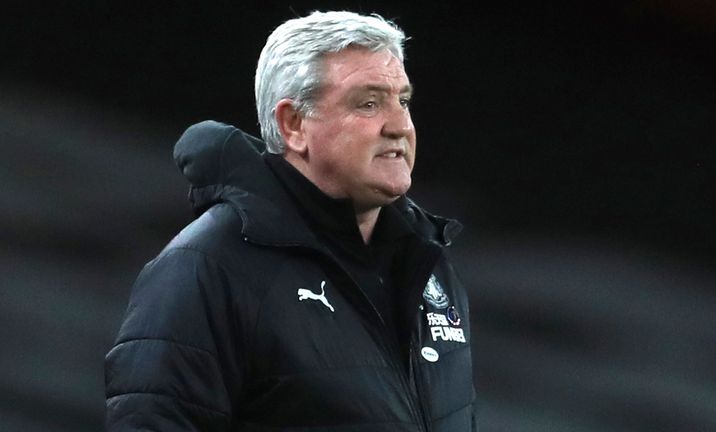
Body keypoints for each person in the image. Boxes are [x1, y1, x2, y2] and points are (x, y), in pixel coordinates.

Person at [104, 10, 476, 431]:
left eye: (403, 101)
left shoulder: (429, 265)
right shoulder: (207, 267)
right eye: (369, 103)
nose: (400, 126)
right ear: (294, 124)